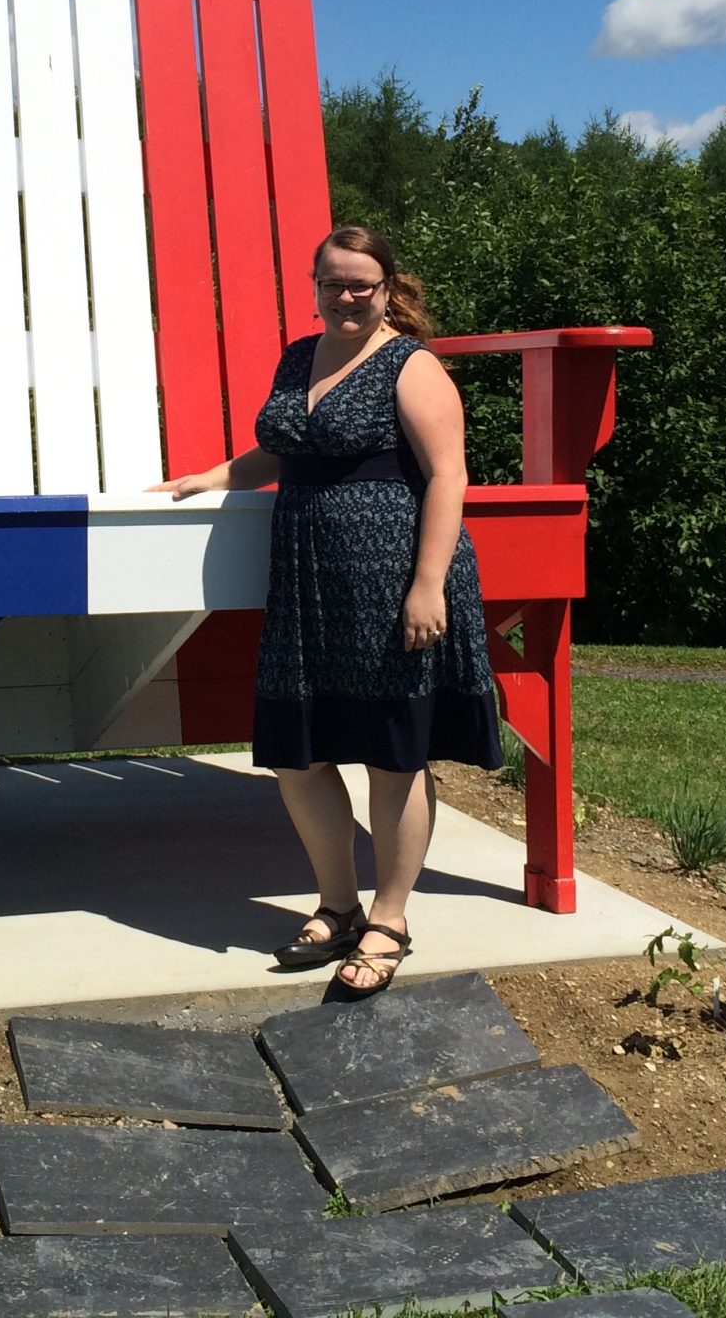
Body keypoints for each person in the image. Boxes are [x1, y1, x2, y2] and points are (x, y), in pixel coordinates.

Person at [153, 226, 501, 998]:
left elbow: (449, 476)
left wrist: (428, 584)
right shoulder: (296, 357)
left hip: (390, 580)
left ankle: (390, 919)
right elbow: (287, 447)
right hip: (307, 582)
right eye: (333, 284)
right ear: (314, 286)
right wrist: (212, 477)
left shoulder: (410, 365)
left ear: (386, 291)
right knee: (297, 751)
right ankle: (337, 904)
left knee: (392, 753)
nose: (347, 297)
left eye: (362, 286)